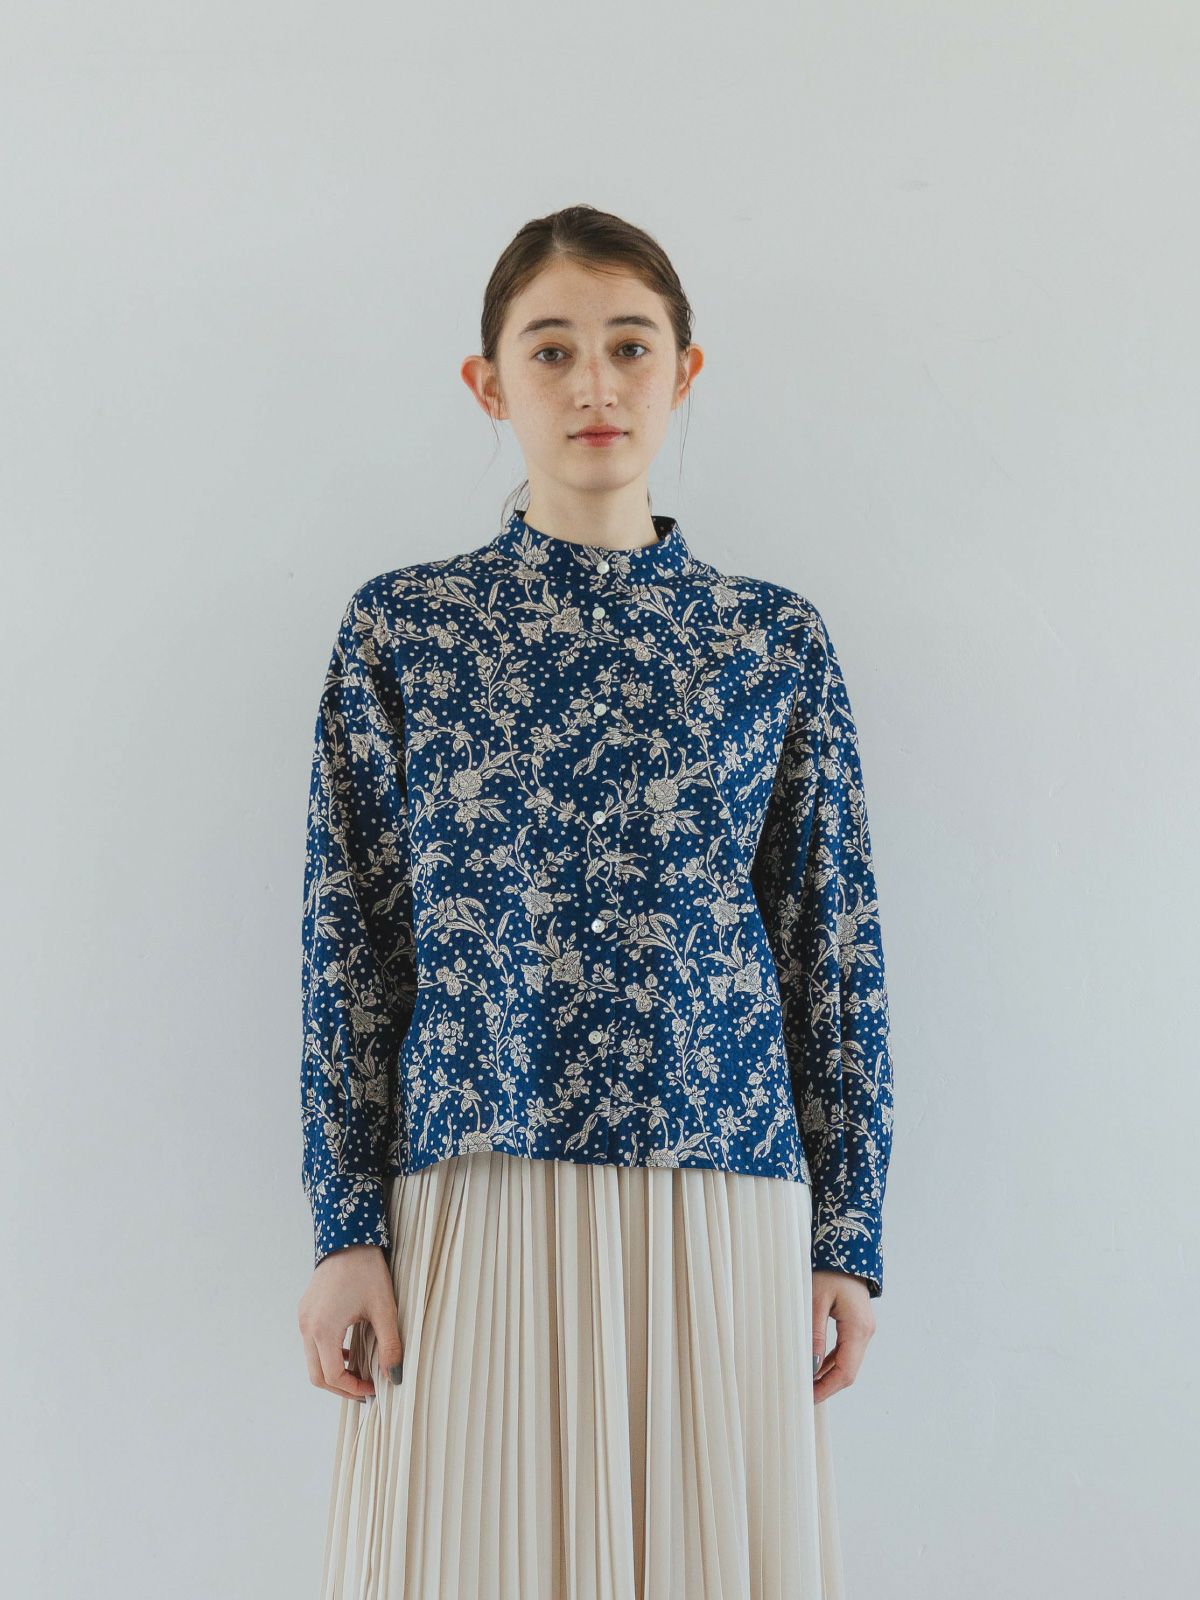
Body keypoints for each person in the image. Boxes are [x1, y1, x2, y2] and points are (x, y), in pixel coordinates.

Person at [296, 203, 894, 1599]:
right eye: (552, 349)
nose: (595, 384)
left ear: (685, 372)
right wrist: (344, 1227)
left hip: (719, 1189)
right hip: (474, 1177)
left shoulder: (771, 640)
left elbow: (831, 949)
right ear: (489, 383)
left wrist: (849, 1237)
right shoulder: (404, 630)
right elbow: (351, 949)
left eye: (630, 346)